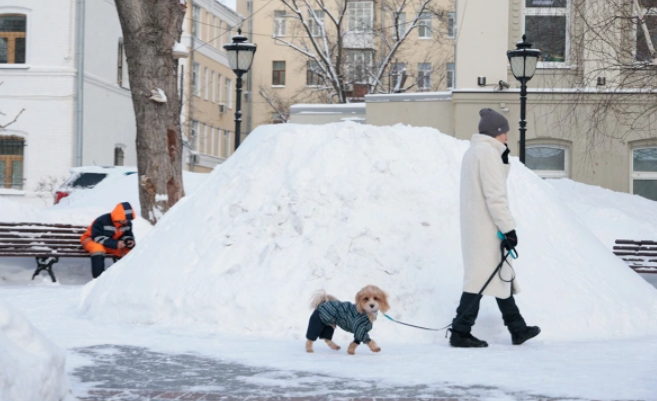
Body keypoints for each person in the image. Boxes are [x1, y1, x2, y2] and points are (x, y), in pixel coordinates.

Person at [448, 108, 540, 348]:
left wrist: (504, 162)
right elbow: (495, 196)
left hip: (477, 228)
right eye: (505, 133)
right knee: (480, 280)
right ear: (496, 133)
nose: (507, 138)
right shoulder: (487, 154)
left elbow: (488, 186)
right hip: (487, 229)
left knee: (500, 275)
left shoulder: (475, 152)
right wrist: (509, 229)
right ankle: (460, 330)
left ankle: (517, 328)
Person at [80, 202, 136, 278]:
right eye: (125, 219)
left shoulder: (127, 223)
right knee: (98, 249)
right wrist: (115, 243)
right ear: (118, 216)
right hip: (90, 240)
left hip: (108, 243)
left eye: (128, 219)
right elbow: (97, 237)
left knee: (130, 252)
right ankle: (98, 278)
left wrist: (128, 241)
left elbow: (128, 235)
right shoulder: (102, 220)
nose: (127, 221)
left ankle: (129, 276)